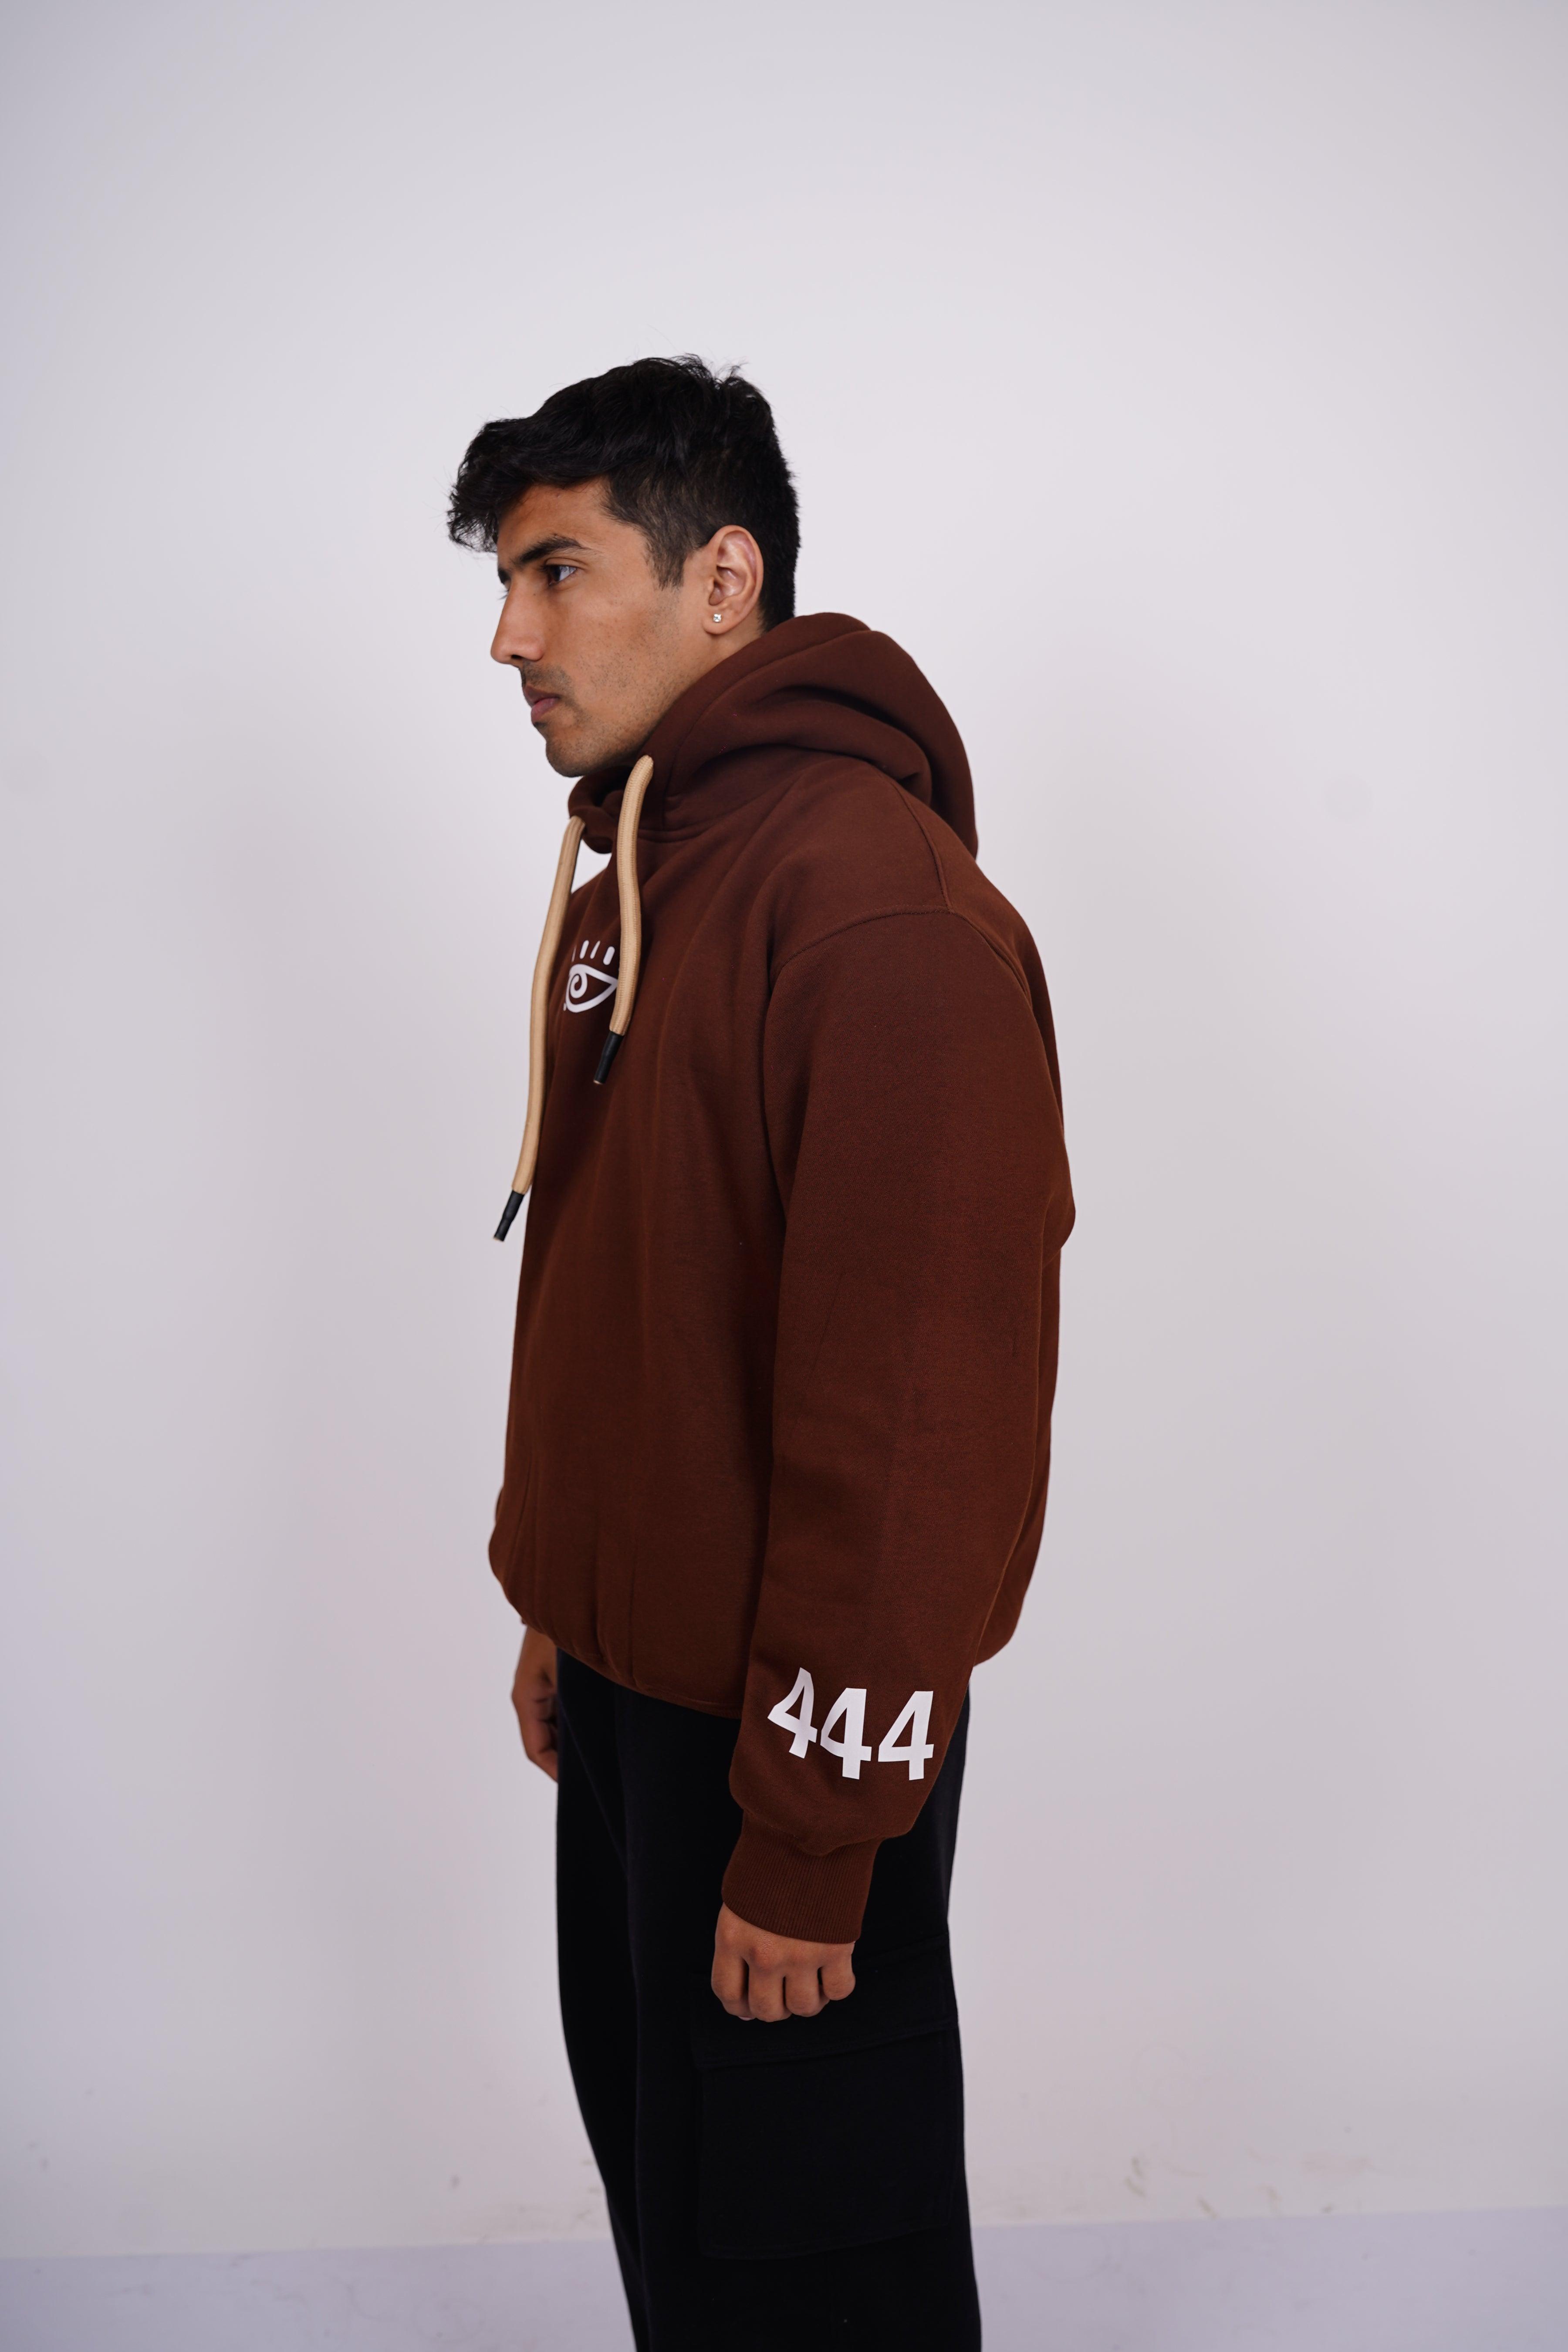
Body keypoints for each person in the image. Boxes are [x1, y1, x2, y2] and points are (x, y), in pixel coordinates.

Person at [447, 356, 1073, 2352]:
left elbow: (916, 1418)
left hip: (786, 1742)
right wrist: (568, 1603)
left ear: (724, 579)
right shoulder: (648, 872)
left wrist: (811, 1834)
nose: (509, 637)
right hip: (636, 1706)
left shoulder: (877, 912)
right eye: (503, 581)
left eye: (556, 571)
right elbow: (634, 1278)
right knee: (691, 2252)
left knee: (818, 2289)